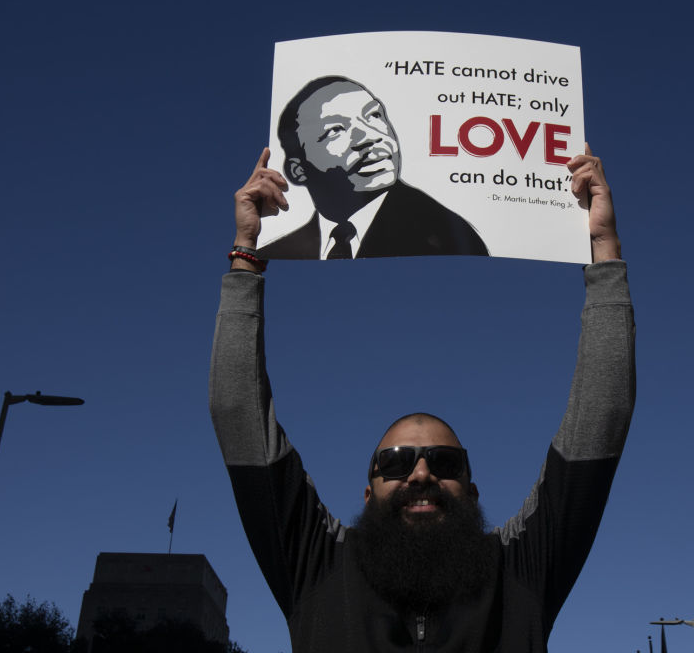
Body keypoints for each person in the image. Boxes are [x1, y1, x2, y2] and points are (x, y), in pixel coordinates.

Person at [209, 145, 634, 652]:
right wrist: (246, 254)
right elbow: (239, 415)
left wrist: (604, 250)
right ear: (367, 495)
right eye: (395, 462)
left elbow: (600, 417)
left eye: (445, 461)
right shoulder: (316, 564)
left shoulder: (520, 571)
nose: (421, 473)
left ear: (473, 493)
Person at [257, 76, 489, 259]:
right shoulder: (275, 254)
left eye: (374, 115)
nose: (370, 136)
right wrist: (246, 240)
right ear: (298, 170)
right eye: (335, 130)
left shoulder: (445, 236)